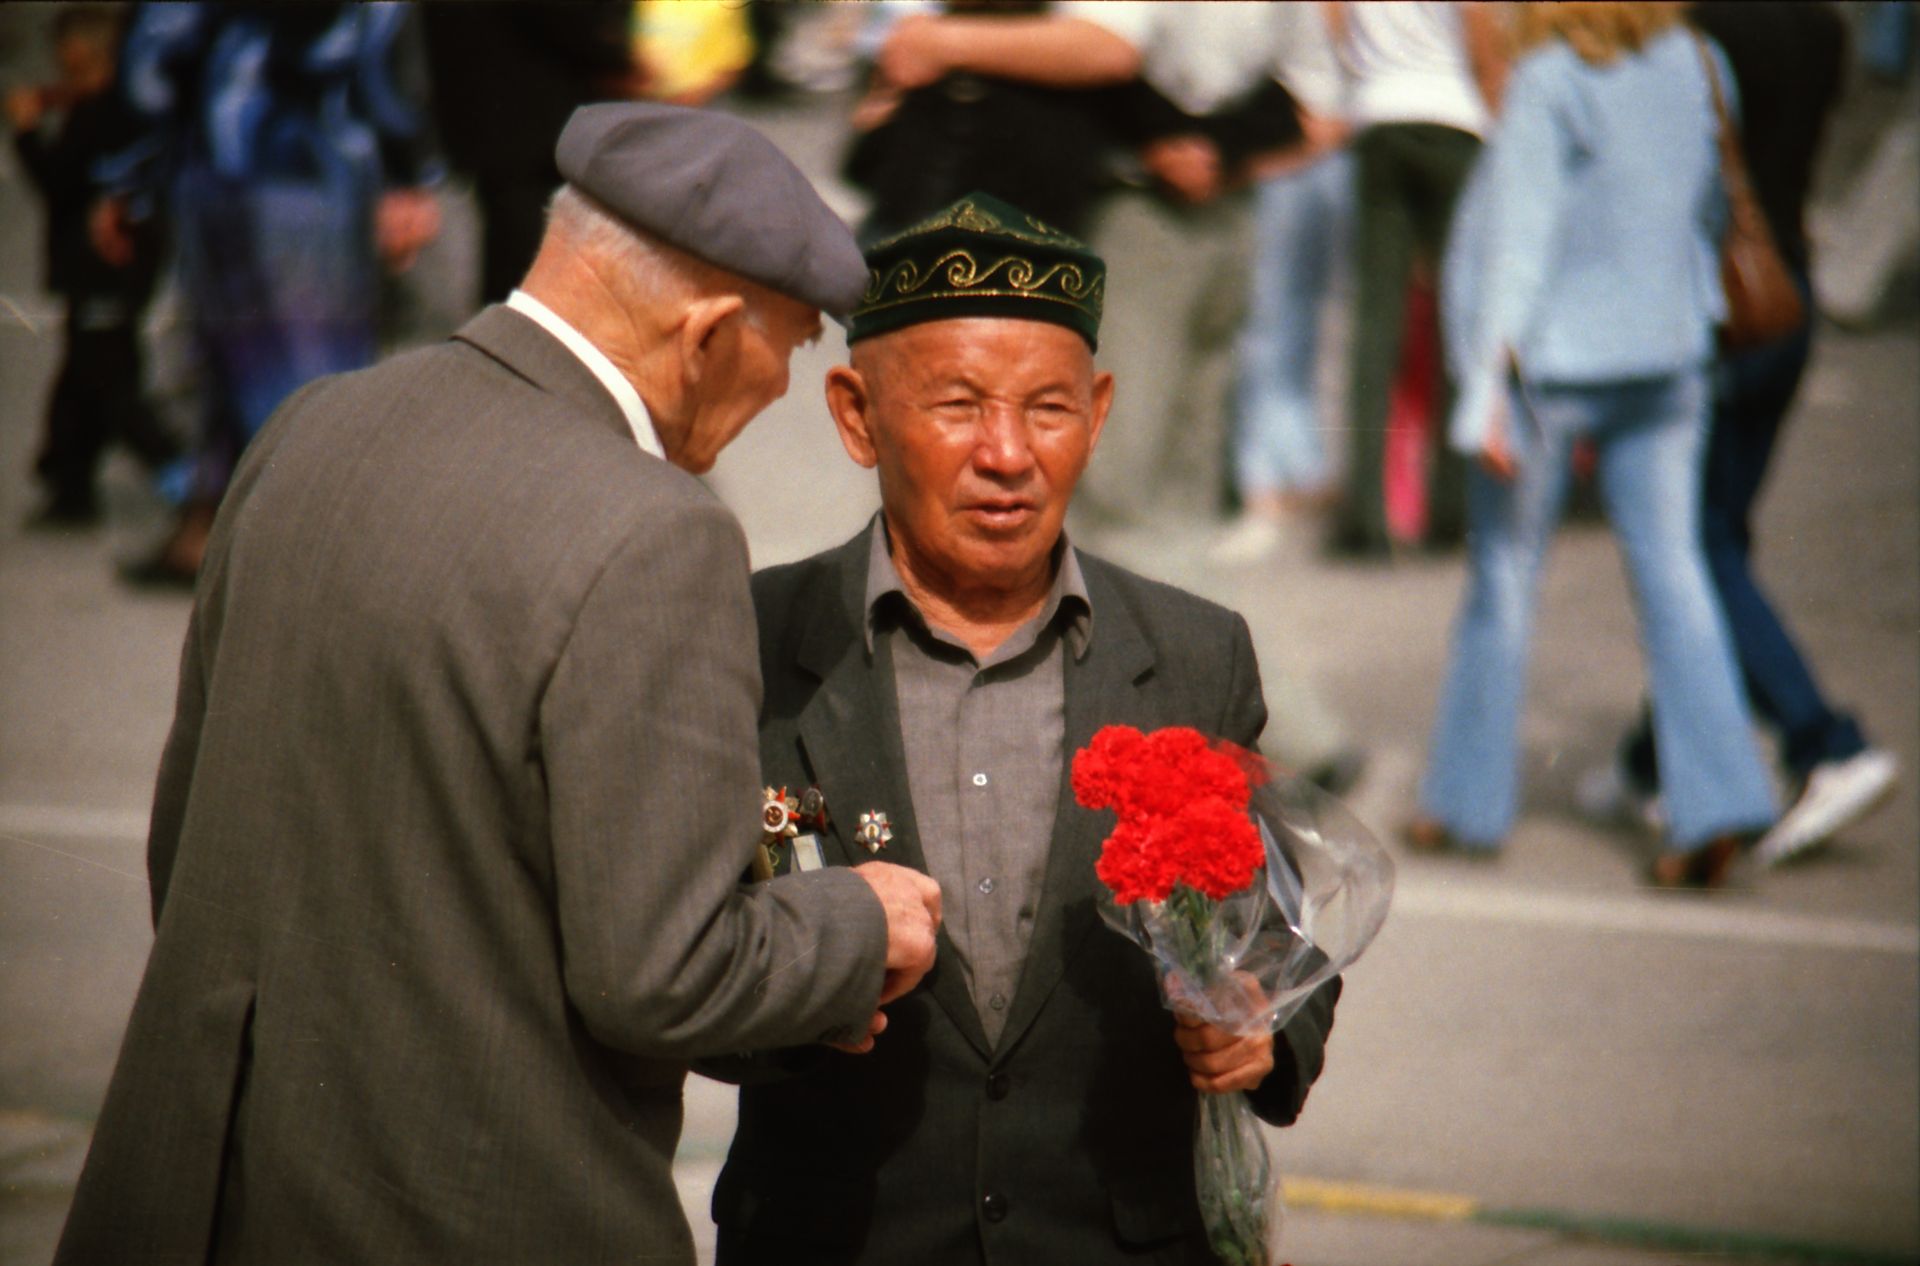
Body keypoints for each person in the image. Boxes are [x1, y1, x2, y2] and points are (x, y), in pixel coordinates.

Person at [54, 103, 943, 1265]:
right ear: (710, 332)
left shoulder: (314, 427)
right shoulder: (656, 535)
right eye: (791, 346)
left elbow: (190, 848)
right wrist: (857, 920)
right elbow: (665, 970)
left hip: (196, 1193)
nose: (781, 386)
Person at [706, 193, 1340, 1265]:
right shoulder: (752, 641)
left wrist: (1261, 1028)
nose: (1007, 454)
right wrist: (807, 990)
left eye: (1049, 409)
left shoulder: (1195, 654)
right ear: (857, 416)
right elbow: (672, 961)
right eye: (957, 406)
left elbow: (1277, 935)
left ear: (1098, 413)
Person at [1408, 3, 1777, 888]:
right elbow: (1706, 210)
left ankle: (1464, 801)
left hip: (1556, 368)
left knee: (1504, 577)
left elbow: (1518, 243)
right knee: (1676, 574)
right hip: (1672, 354)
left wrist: (1485, 391)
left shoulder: (1551, 80)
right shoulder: (1699, 63)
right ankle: (1719, 800)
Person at [1583, 1, 1899, 866]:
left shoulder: (1701, 30)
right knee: (1712, 538)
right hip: (1784, 291)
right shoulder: (1820, 26)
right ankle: (1652, 758)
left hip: (1718, 308)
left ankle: (1824, 740)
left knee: (1691, 547)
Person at [100, 2, 444, 587]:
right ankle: (287, 542)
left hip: (228, 158)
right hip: (324, 164)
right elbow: (381, 35)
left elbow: (158, 50)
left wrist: (126, 174)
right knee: (310, 359)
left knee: (234, 353)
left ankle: (243, 536)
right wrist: (407, 170)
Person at [1328, 0, 1506, 559]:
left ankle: (1365, 515)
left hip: (1380, 115)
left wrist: (1368, 71)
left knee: (1375, 326)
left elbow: (1334, 19)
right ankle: (1451, 509)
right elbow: (1481, 34)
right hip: (1454, 118)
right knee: (1457, 319)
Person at [6, 4, 176, 528]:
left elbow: (59, 182)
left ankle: (180, 473)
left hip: (103, 274)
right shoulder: (127, 113)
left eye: (75, 68)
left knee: (110, 386)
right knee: (80, 384)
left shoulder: (103, 117)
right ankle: (68, 482)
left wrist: (26, 133)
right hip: (108, 276)